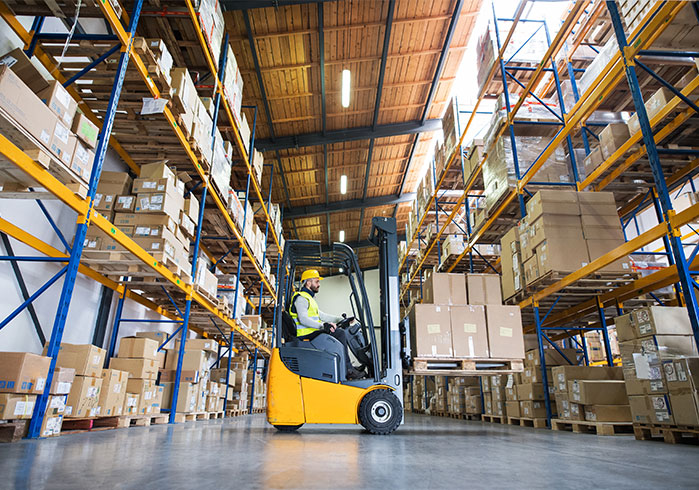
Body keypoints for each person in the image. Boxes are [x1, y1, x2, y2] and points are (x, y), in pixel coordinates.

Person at [290, 269, 364, 380]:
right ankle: (348, 369)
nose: (319, 284)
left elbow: (322, 315)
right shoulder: (301, 298)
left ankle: (347, 367)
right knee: (340, 334)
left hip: (312, 332)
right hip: (305, 335)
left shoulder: (310, 298)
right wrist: (323, 326)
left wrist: (340, 319)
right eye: (316, 282)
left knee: (340, 332)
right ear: (308, 283)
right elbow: (303, 319)